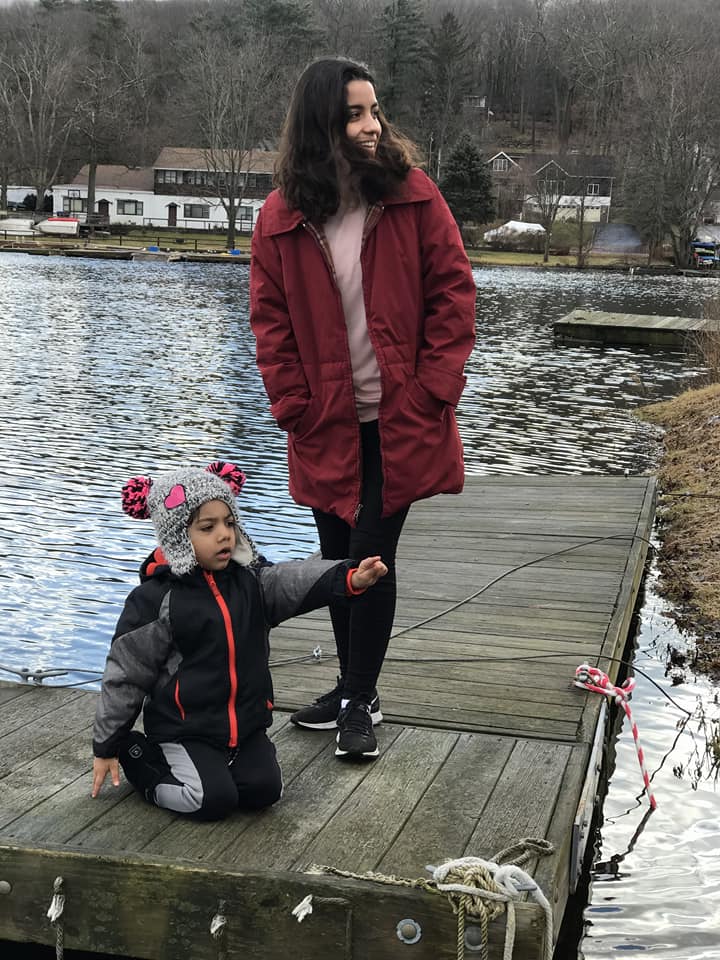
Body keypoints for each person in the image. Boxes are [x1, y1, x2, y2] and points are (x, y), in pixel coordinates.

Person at [249, 58, 476, 760]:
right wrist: (292, 403)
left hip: (400, 420)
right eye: (354, 114)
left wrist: (434, 390)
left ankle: (355, 700)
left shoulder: (411, 195)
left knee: (371, 551)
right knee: (334, 555)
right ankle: (359, 687)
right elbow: (269, 318)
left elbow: (454, 293)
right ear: (321, 123)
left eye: (374, 110)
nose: (372, 125)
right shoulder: (281, 216)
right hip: (324, 424)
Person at [91, 460, 387, 819]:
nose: (224, 534)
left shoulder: (251, 581)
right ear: (177, 537)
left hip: (245, 728)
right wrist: (107, 743)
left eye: (229, 523)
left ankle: (224, 766)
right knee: (209, 800)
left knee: (265, 791)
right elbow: (126, 673)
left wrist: (349, 578)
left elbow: (294, 580)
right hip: (186, 731)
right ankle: (141, 761)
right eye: (208, 527)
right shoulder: (155, 600)